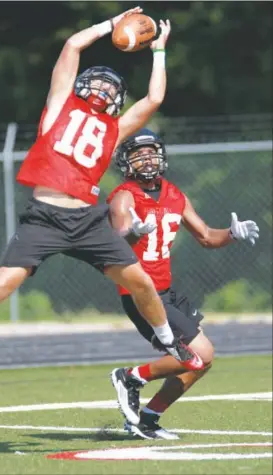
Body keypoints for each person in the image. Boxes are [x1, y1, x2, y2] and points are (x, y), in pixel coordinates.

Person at [0, 8, 202, 385]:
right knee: (2, 283)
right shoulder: (59, 107)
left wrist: (158, 52)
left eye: (111, 87)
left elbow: (154, 98)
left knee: (140, 281)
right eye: (99, 83)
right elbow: (72, 44)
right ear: (82, 85)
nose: (104, 89)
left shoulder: (114, 130)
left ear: (118, 98)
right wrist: (110, 24)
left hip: (88, 219)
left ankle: (171, 343)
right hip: (45, 216)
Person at [107, 128, 260, 440]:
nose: (147, 158)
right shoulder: (123, 196)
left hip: (166, 290)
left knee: (202, 361)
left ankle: (148, 418)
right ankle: (130, 377)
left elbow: (205, 236)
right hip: (140, 292)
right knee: (197, 355)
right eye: (139, 153)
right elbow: (117, 240)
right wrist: (135, 230)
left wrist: (231, 234)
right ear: (127, 162)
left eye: (152, 151)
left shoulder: (175, 194)